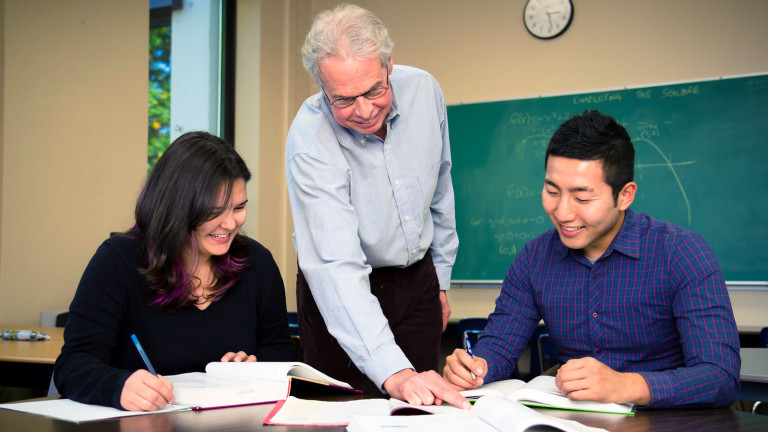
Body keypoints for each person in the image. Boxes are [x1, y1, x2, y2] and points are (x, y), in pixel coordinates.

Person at [443, 110, 741, 409]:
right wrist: (475, 368)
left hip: (668, 420)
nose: (562, 213)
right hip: (572, 419)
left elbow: (720, 377)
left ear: (625, 195)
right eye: (551, 191)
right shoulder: (534, 259)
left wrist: (628, 386)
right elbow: (500, 345)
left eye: (582, 198)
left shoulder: (681, 253)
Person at [285, 4, 466, 408]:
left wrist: (439, 277)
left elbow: (440, 188)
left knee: (421, 409)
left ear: (388, 65)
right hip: (339, 292)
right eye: (343, 100)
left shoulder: (424, 91)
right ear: (320, 88)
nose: (364, 110)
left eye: (374, 90)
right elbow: (336, 268)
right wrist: (393, 373)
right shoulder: (310, 143)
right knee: (343, 415)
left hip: (417, 280)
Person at [54, 132, 293, 411]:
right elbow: (73, 365)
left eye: (239, 207)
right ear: (177, 208)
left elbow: (280, 353)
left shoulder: (257, 263)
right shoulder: (118, 260)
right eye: (214, 212)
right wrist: (118, 387)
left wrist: (254, 368)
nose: (229, 223)